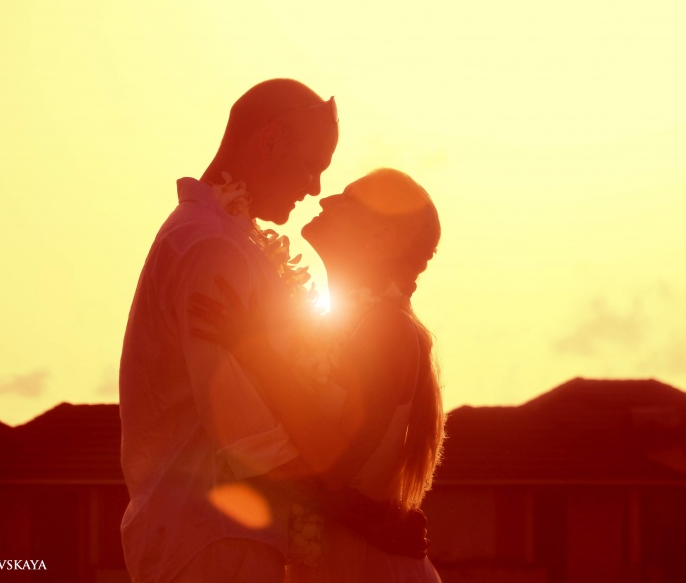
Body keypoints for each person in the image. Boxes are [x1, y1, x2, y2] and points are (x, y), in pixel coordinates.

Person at [118, 79, 340, 583]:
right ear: (270, 142)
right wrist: (358, 504)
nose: (314, 188)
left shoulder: (222, 237)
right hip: (215, 541)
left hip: (221, 538)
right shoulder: (212, 247)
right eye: (311, 166)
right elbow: (248, 438)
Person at [192, 168, 445, 582]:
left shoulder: (387, 328)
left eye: (348, 198)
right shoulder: (340, 327)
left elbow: (333, 466)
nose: (326, 200)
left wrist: (254, 351)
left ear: (382, 237)